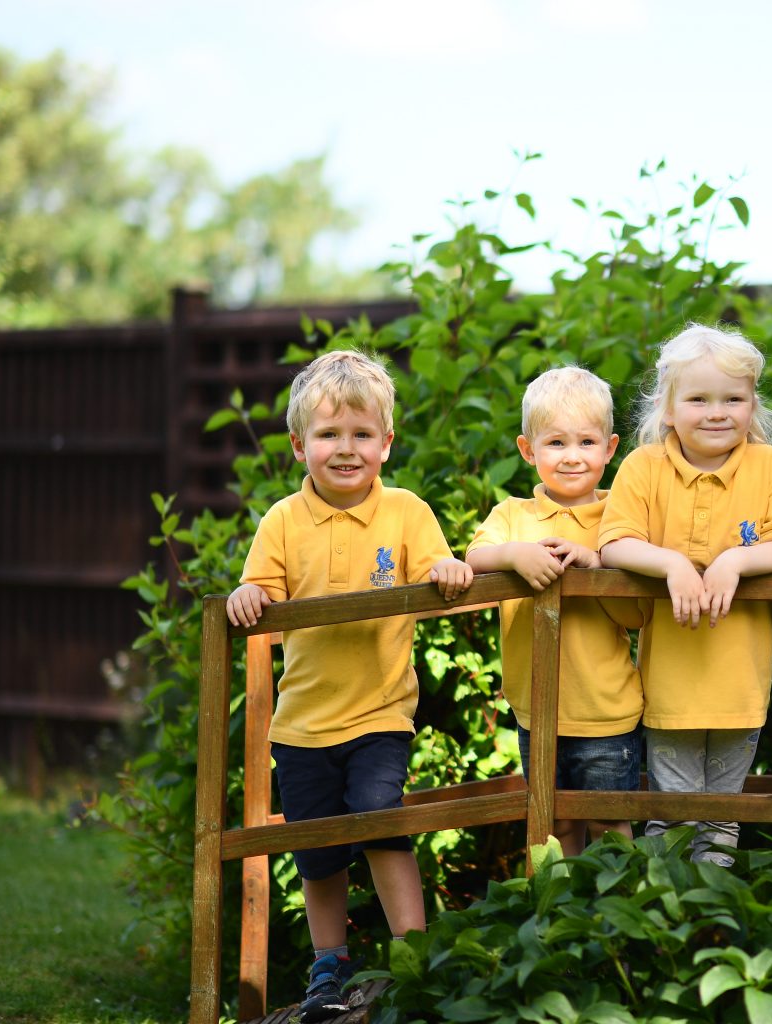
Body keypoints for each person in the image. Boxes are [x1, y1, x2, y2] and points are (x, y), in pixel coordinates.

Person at [224, 349, 473, 1022]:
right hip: (302, 722)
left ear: (386, 444)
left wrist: (447, 570)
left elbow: (439, 566)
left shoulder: (406, 513)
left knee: (383, 820)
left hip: (380, 712)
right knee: (319, 851)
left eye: (362, 435)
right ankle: (327, 967)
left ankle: (410, 955)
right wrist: (248, 594)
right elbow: (261, 589)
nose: (345, 449)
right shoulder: (282, 520)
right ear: (300, 444)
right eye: (329, 435)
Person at [597, 324, 772, 865]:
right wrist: (671, 563)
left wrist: (736, 559)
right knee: (673, 811)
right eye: (699, 399)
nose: (717, 412)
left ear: (752, 404)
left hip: (740, 682)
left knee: (721, 813)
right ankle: (667, 915)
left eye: (733, 399)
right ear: (668, 408)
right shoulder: (645, 467)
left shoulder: (770, 466)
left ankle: (710, 922)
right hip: (671, 680)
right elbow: (614, 542)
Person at [465, 366, 644, 856]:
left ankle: (616, 924)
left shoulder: (620, 516)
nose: (571, 457)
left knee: (611, 828)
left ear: (610, 449)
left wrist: (597, 565)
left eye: (587, 443)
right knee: (553, 826)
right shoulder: (512, 517)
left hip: (606, 712)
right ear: (528, 450)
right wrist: (514, 554)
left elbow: (637, 616)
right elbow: (473, 559)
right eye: (556, 443)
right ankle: (558, 923)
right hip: (537, 710)